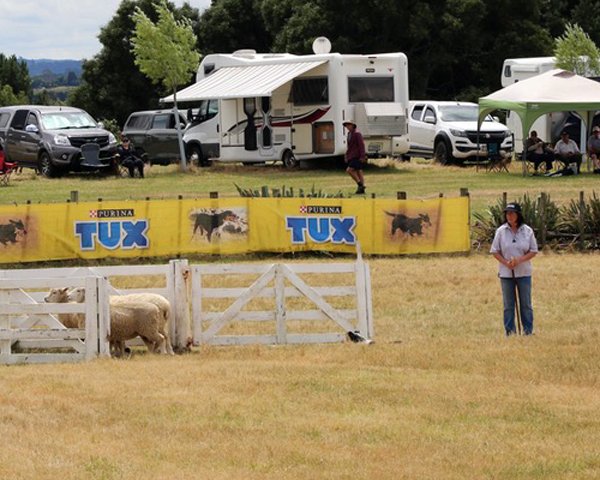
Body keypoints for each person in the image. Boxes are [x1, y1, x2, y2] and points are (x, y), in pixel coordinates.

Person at [490, 202, 538, 336]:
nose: (509, 216)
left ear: (518, 215)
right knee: (508, 305)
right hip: (506, 274)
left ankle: (528, 330)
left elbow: (533, 250)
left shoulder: (527, 231)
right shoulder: (501, 231)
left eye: (512, 213)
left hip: (524, 272)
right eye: (507, 213)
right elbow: (495, 251)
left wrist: (519, 260)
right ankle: (510, 331)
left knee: (526, 304)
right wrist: (506, 262)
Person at [343, 119, 366, 194]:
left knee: (349, 170)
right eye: (346, 125)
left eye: (349, 124)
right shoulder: (349, 134)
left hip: (357, 156)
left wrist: (362, 156)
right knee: (358, 171)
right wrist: (346, 155)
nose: (347, 126)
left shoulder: (357, 133)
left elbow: (361, 145)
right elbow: (349, 146)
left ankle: (360, 184)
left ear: (353, 125)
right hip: (351, 156)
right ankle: (361, 189)